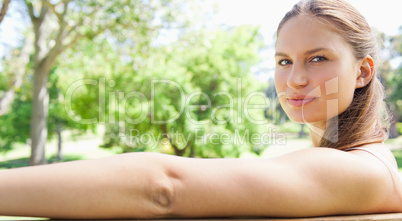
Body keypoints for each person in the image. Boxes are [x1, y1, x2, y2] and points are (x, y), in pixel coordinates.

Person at [1, 0, 401, 219]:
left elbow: (163, 188)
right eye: (283, 61)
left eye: (317, 59)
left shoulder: (359, 168)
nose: (295, 78)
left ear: (363, 72)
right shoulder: (345, 159)